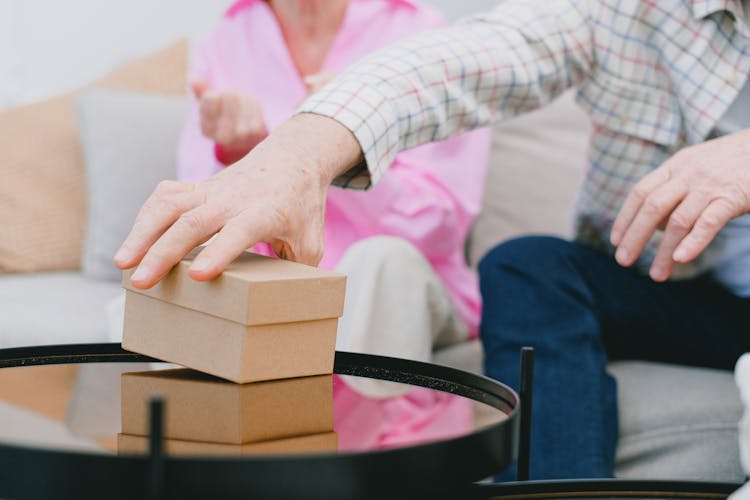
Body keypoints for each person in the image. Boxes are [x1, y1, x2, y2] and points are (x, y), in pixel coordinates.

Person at [116, 0, 750, 479]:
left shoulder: (404, 16)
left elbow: (433, 221)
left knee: (382, 265)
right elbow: (461, 63)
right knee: (525, 265)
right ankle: (554, 489)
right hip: (687, 291)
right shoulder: (632, 10)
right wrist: (295, 155)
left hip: (385, 272)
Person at [175, 0, 491, 448]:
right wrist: (241, 156)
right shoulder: (226, 38)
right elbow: (198, 224)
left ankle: (380, 466)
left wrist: (337, 152)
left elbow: (439, 227)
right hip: (279, 283)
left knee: (380, 264)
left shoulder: (423, 32)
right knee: (164, 288)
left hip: (406, 280)